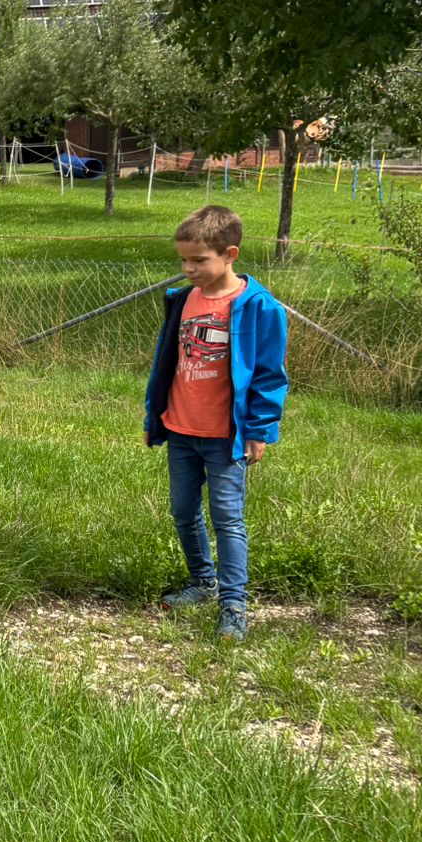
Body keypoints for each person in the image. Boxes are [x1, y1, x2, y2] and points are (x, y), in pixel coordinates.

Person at [144, 204, 288, 643]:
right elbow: (166, 364)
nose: (188, 269)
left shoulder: (258, 307)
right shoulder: (182, 301)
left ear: (230, 254)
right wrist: (155, 415)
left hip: (226, 437)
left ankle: (234, 604)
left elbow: (269, 374)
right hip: (181, 429)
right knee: (183, 511)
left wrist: (260, 430)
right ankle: (202, 582)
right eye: (183, 260)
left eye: (198, 260)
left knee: (227, 518)